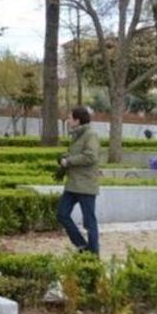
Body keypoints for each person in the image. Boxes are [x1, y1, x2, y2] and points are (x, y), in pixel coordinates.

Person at [57, 105, 101, 255]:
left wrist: (69, 161)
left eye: (70, 118)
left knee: (89, 222)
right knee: (62, 214)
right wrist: (65, 158)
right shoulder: (77, 135)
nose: (68, 120)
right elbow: (78, 154)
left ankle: (93, 255)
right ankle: (82, 246)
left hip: (86, 185)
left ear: (77, 120)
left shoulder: (90, 134)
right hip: (73, 184)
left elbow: (91, 156)